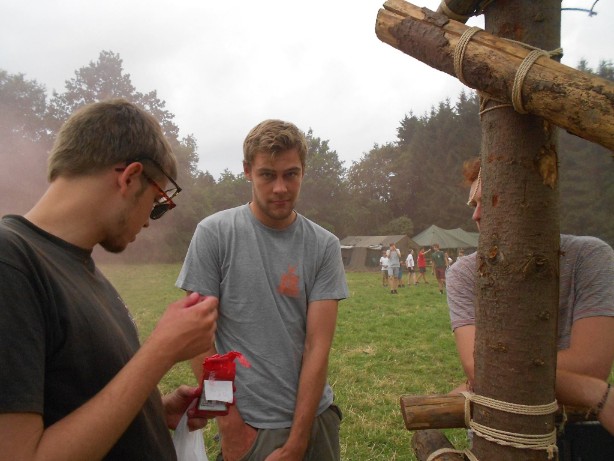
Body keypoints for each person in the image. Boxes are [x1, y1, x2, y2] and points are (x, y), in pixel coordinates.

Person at [0, 99, 219, 460]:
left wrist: (151, 411)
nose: (149, 221)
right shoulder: (11, 263)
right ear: (130, 177)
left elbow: (77, 399)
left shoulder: (81, 269)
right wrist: (160, 352)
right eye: (157, 201)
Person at [176, 119, 348, 461]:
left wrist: (299, 440)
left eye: (291, 174)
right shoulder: (214, 234)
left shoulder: (324, 245)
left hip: (315, 421)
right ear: (247, 171)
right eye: (267, 175)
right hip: (250, 428)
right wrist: (230, 426)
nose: (280, 188)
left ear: (303, 171)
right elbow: (199, 341)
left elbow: (317, 346)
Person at [447, 157, 614, 456]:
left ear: (532, 201)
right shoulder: (464, 273)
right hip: (501, 432)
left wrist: (492, 377)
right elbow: (476, 366)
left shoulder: (588, 258)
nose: (476, 215)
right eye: (474, 204)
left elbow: (592, 364)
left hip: (576, 430)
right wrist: (591, 390)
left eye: (489, 202)